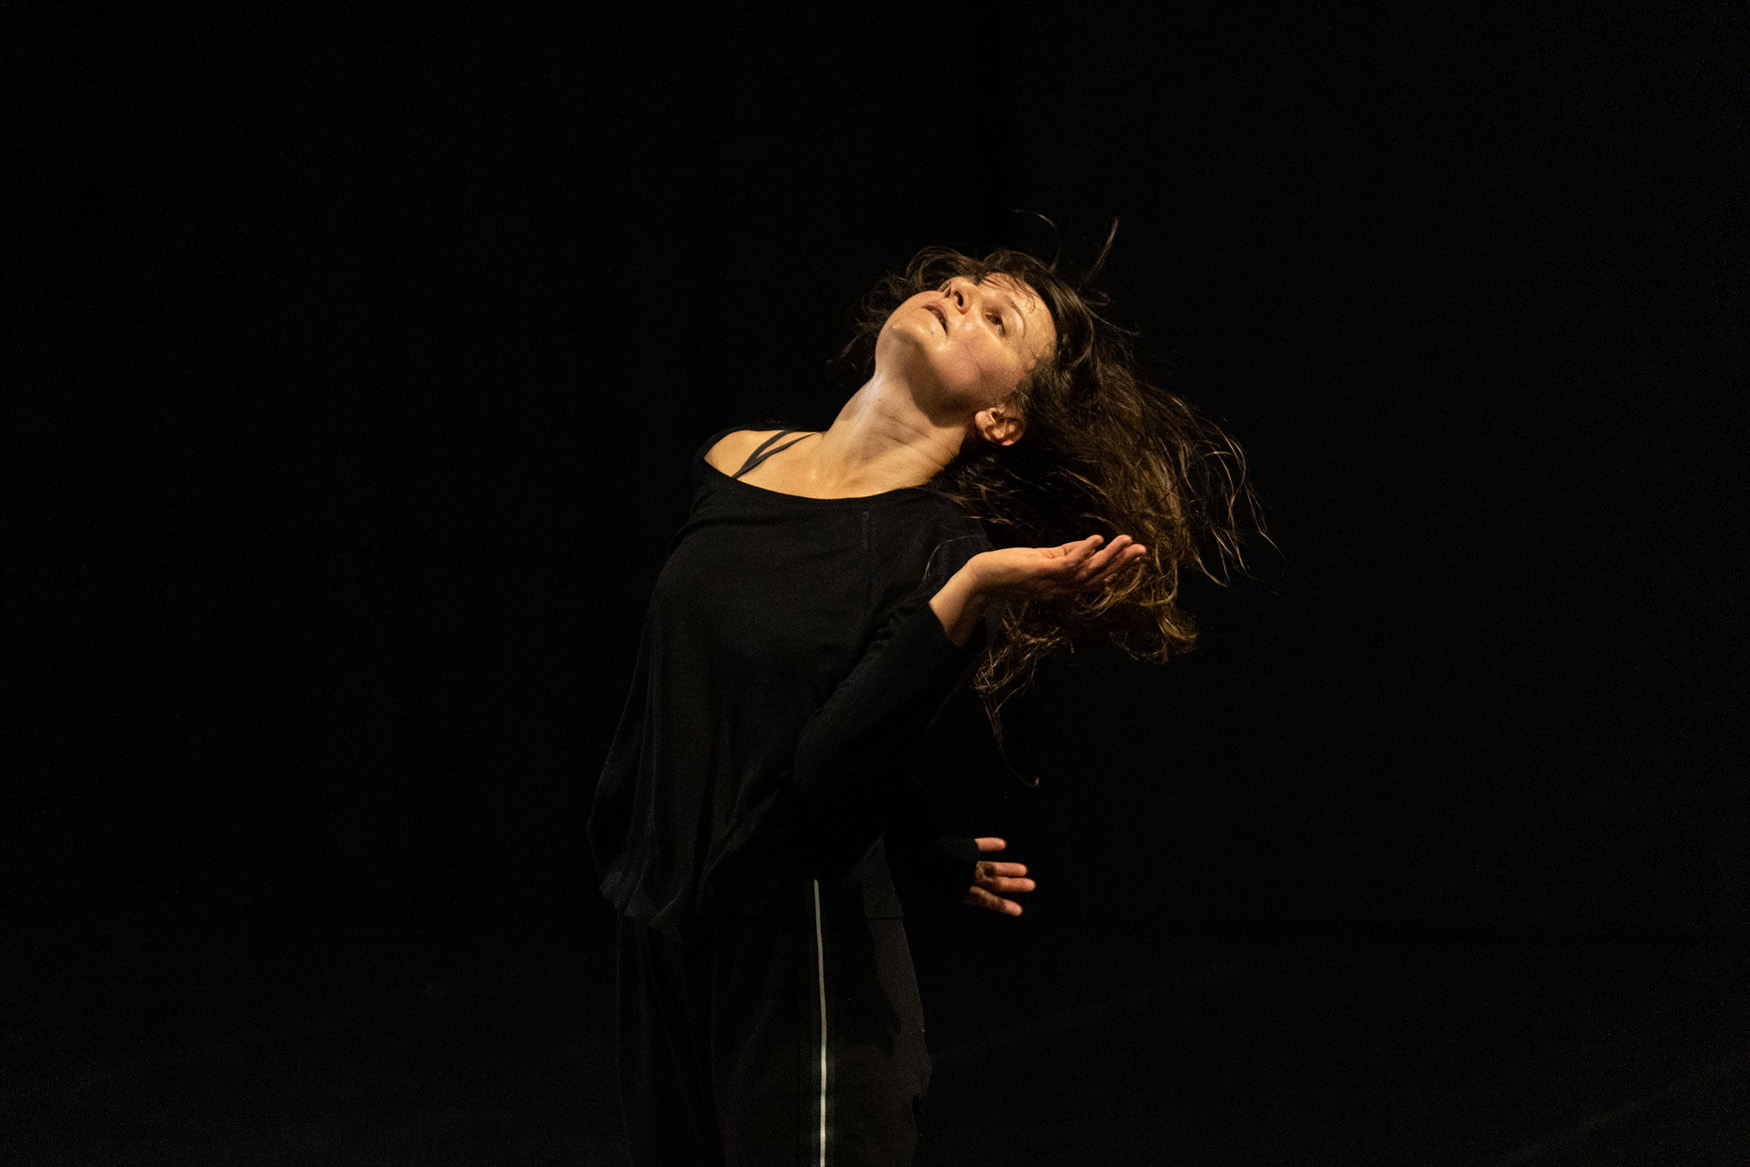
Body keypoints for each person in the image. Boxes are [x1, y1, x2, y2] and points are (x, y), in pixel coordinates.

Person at [589, 239, 1258, 1165]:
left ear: (1003, 417)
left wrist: (971, 589)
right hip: (664, 935)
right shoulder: (738, 457)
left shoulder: (941, 554)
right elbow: (750, 708)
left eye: (997, 318)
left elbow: (825, 767)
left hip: (806, 969)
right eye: (962, 285)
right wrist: (918, 845)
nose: (960, 294)